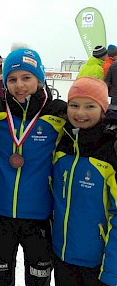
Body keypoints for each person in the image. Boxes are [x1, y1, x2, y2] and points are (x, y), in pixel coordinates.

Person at [0, 48, 67, 286]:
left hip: (40, 215)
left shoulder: (58, 113)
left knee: (38, 281)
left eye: (26, 78)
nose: (19, 85)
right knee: (0, 279)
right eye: (12, 79)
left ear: (39, 79)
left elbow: (88, 125)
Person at [52, 77, 117, 286]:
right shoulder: (61, 145)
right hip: (62, 256)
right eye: (74, 105)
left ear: (103, 110)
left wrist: (112, 272)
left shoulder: (110, 152)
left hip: (97, 263)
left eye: (90, 106)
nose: (80, 113)